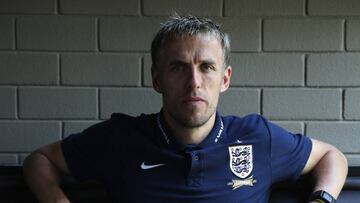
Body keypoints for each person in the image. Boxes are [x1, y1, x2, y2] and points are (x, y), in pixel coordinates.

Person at [23, 15, 348, 203]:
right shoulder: (120, 139)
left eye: (207, 67)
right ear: (157, 78)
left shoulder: (256, 138)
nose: (194, 82)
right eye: (179, 68)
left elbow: (331, 156)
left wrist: (321, 201)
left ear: (224, 79)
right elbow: (40, 160)